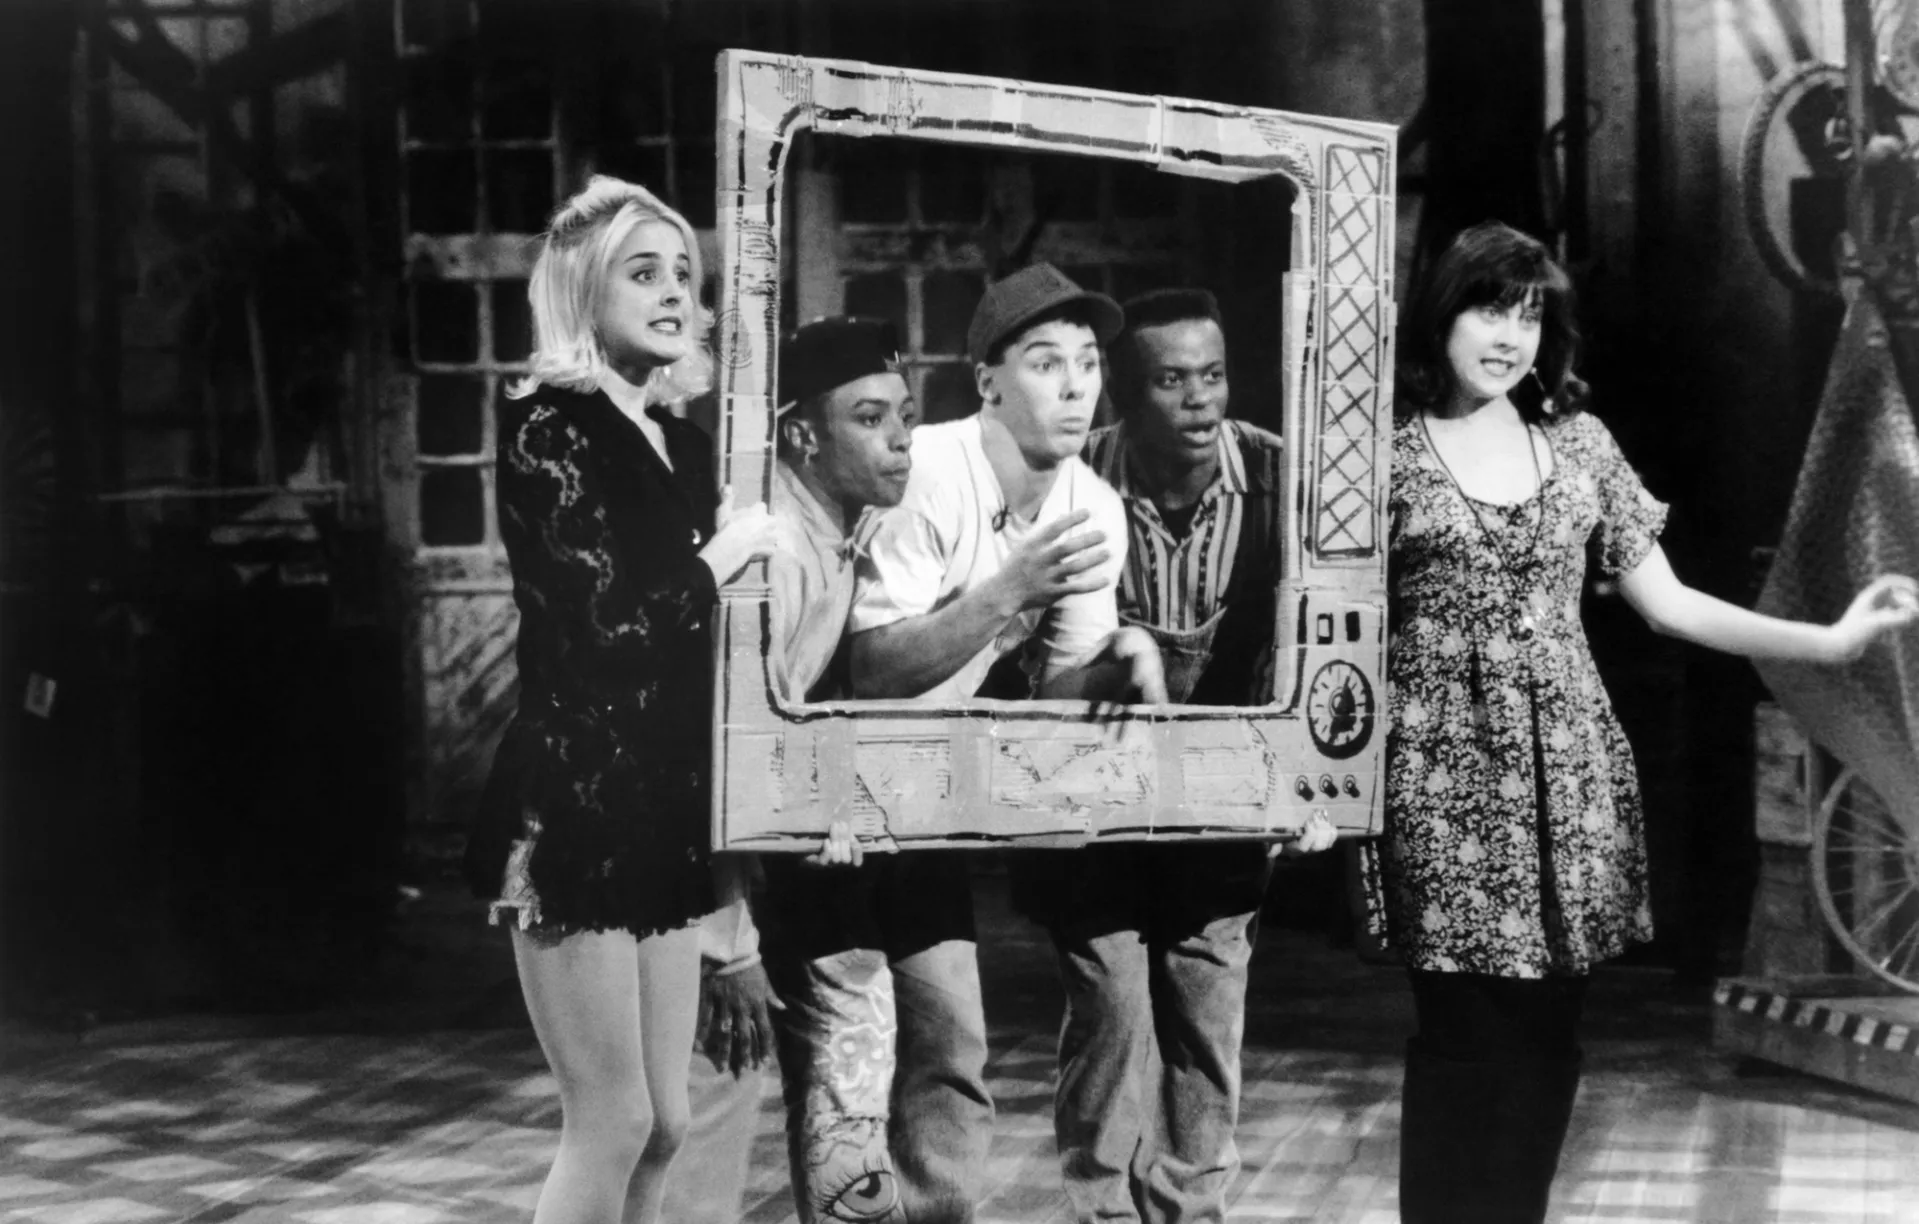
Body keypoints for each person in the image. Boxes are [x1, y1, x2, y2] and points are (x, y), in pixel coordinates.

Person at [1369, 220, 1919, 1224]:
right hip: (1440, 784)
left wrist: (1829, 640)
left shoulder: (1577, 446)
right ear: (1440, 314)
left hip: (1567, 779)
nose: (1509, 335)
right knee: (1462, 1037)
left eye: (1530, 315)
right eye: (1488, 309)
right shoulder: (1381, 455)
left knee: (1547, 1037)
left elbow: (1670, 606)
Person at [760, 263, 1166, 1224]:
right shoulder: (925, 470)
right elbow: (866, 670)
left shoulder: (1092, 505)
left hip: (926, 803)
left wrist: (1122, 661)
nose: (1074, 387)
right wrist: (1007, 591)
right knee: (849, 1066)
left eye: (1088, 363)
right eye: (1045, 363)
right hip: (826, 801)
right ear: (988, 381)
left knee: (951, 1049)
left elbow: (1055, 693)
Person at [464, 175, 778, 1224]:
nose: (675, 292)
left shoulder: (680, 446)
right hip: (577, 804)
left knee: (667, 1123)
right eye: (643, 273)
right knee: (610, 1119)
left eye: (684, 272)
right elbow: (607, 635)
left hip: (661, 804)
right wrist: (722, 557)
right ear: (581, 292)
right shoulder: (546, 428)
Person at [1014, 286, 1335, 1224]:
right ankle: (1102, 1211)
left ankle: (1191, 1210)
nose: (1199, 400)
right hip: (1092, 784)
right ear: (1124, 391)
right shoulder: (1071, 478)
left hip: (1223, 796)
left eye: (1213, 376)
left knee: (1204, 1013)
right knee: (1109, 1015)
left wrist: (1305, 781)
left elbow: (1318, 642)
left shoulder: (1281, 478)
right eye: (1169, 381)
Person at [661, 316, 917, 1224]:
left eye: (905, 415)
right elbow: (709, 749)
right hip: (693, 879)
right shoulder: (773, 550)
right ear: (803, 435)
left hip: (774, 862)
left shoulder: (838, 529)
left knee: (848, 1045)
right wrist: (724, 944)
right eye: (870, 418)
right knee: (707, 1101)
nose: (900, 439)